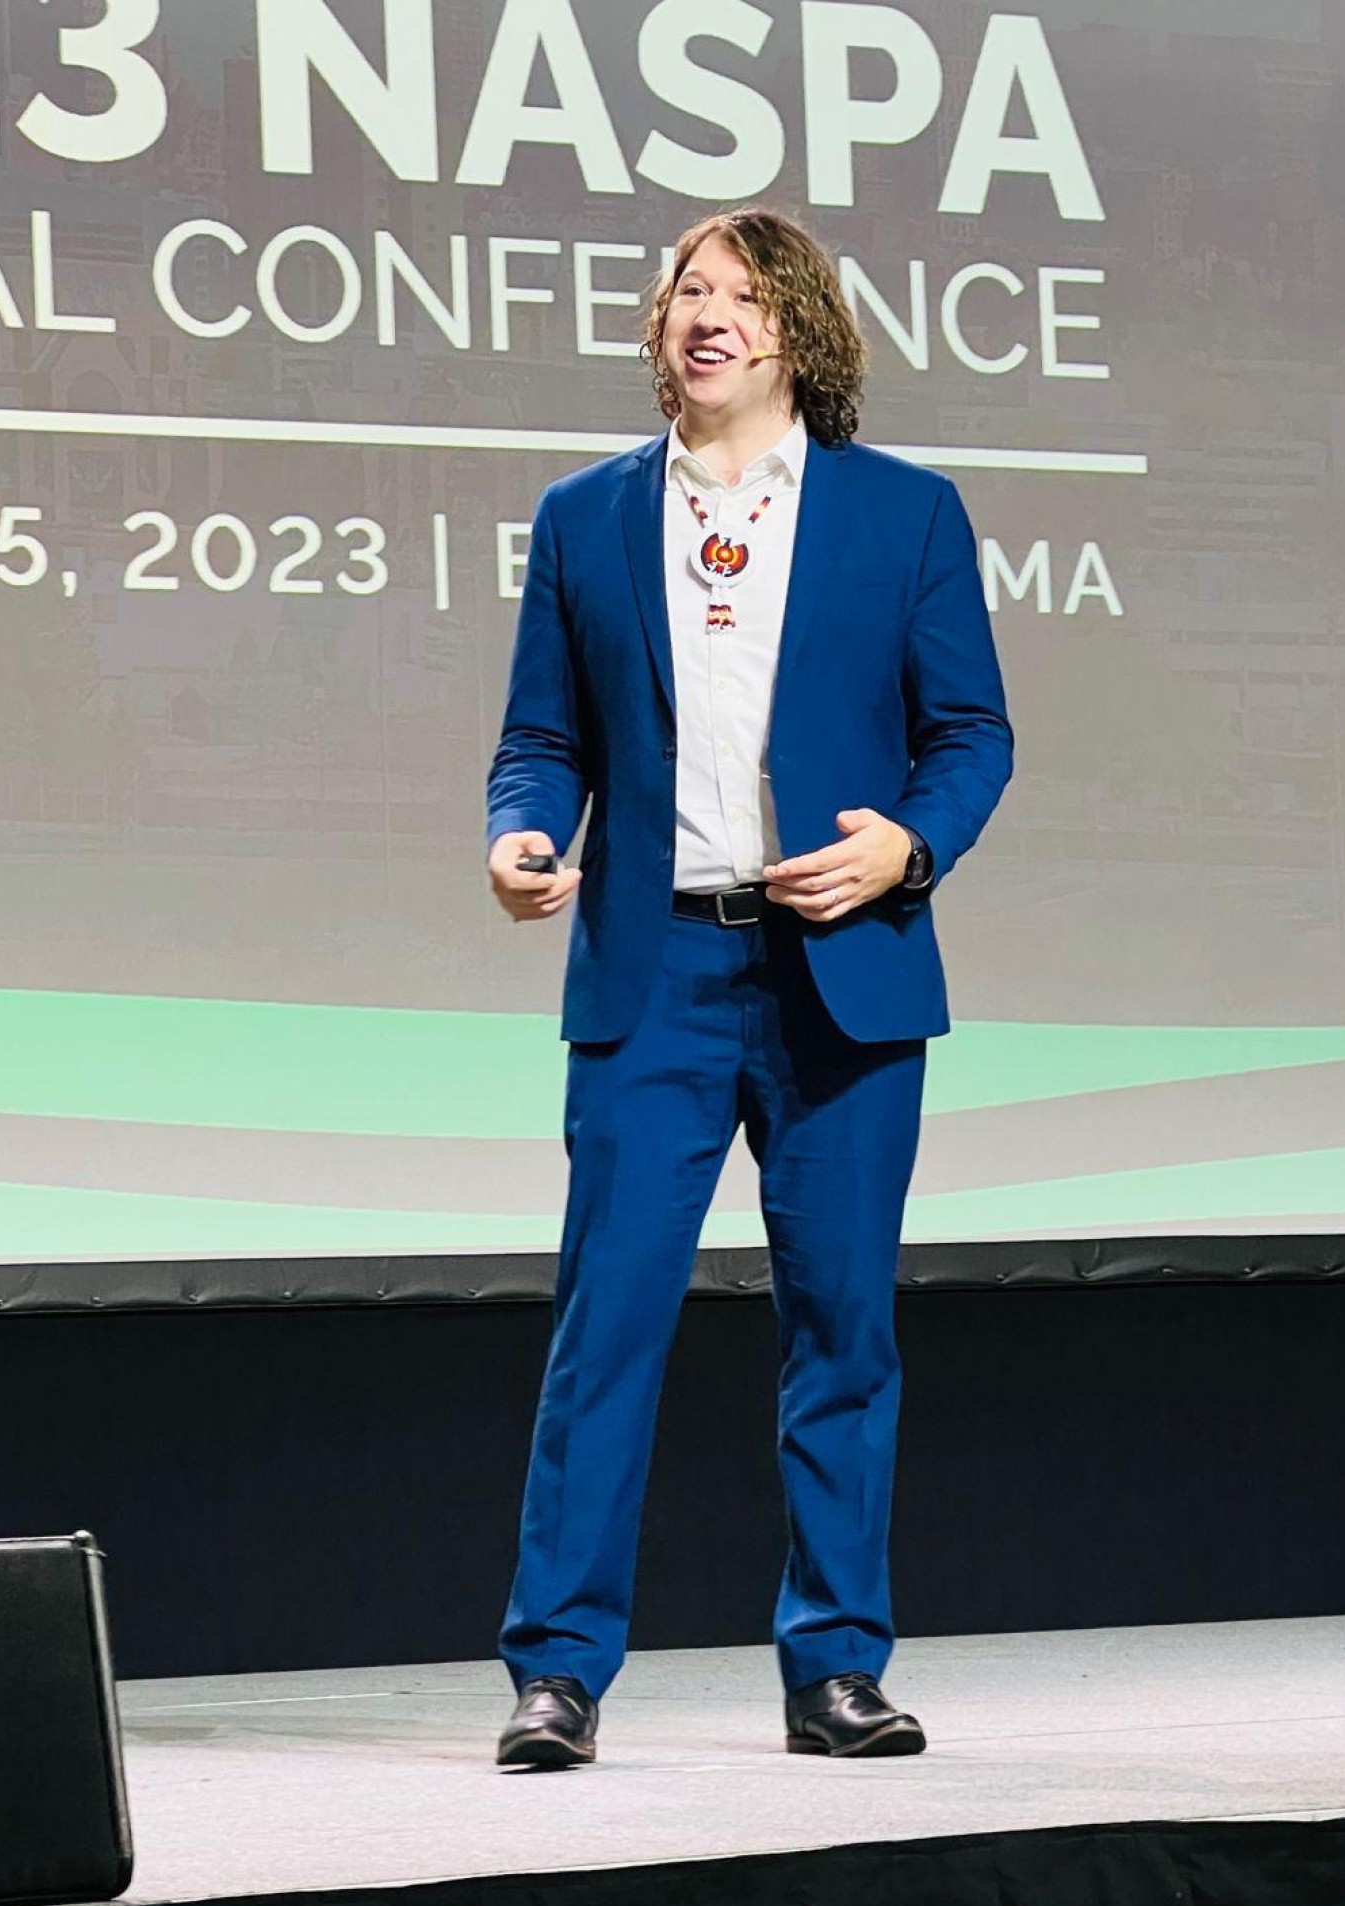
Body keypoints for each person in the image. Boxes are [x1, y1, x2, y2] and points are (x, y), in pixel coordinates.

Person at [485, 208, 1013, 1769]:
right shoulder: (584, 516)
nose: (706, 313)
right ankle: (557, 1672)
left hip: (838, 977)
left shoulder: (903, 513)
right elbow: (543, 739)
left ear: (801, 330)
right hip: (653, 972)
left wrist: (907, 845)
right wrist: (521, 831)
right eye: (686, 292)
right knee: (607, 1326)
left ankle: (836, 1667)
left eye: (741, 293)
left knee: (842, 1330)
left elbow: (970, 735)